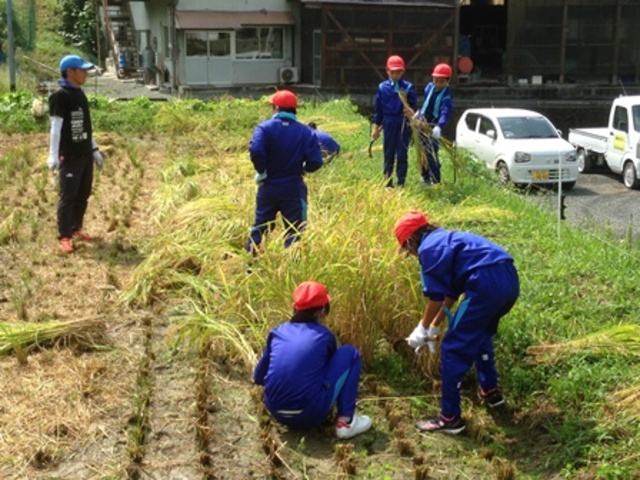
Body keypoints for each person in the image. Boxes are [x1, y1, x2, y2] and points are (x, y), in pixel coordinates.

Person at [394, 211, 519, 434]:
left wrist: (421, 328)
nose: (411, 254)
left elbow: (435, 298)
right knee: (479, 334)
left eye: (408, 249)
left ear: (411, 240)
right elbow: (449, 293)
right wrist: (434, 325)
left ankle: (449, 418)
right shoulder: (445, 239)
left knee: (453, 347)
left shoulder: (428, 249)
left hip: (484, 284)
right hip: (508, 279)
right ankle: (490, 392)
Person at [253, 281, 372, 439]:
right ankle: (346, 422)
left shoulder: (277, 332)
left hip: (276, 411)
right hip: (310, 413)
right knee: (350, 353)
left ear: (294, 307)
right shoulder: (323, 335)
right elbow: (330, 371)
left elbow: (258, 377)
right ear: (322, 311)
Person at [245, 90, 324, 255]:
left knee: (260, 227)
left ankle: (249, 266)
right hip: (293, 187)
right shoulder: (305, 132)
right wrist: (303, 168)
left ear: (275, 108)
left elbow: (256, 150)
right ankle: (292, 268)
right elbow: (316, 161)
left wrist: (262, 170)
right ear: (295, 110)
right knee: (294, 230)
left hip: (269, 187)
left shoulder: (264, 129)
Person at [48, 55, 104, 253]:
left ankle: (75, 227)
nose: (85, 74)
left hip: (84, 153)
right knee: (68, 195)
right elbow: (56, 128)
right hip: (69, 155)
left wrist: (94, 148)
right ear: (70, 72)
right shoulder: (60, 96)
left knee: (83, 193)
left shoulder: (80, 94)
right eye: (82, 70)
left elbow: (84, 126)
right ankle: (64, 236)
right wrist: (53, 155)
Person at [372, 55, 417, 187]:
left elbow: (413, 105)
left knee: (402, 153)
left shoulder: (408, 87)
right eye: (393, 72)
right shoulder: (382, 87)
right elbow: (378, 109)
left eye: (399, 72)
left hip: (403, 123)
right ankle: (388, 182)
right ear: (387, 71)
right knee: (389, 152)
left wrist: (411, 111)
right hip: (389, 122)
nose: (396, 75)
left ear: (403, 71)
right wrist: (376, 127)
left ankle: (401, 182)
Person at [413, 63, 454, 185]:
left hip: (433, 127)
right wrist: (419, 113)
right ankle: (425, 178)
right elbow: (426, 102)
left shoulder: (446, 97)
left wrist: (439, 126)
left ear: (447, 81)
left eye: (441, 81)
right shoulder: (429, 88)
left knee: (431, 154)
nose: (438, 83)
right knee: (422, 152)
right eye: (436, 80)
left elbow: (445, 113)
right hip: (422, 123)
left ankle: (436, 181)